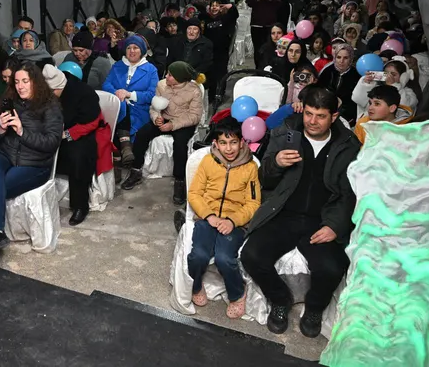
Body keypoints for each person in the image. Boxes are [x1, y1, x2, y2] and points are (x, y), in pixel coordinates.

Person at [240, 87, 360, 338]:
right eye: (308, 113)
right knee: (251, 255)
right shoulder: (285, 133)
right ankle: (280, 299)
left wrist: (335, 225)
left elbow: (350, 194)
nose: (312, 121)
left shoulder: (348, 146)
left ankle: (314, 308)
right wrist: (276, 164)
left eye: (320, 116)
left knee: (333, 267)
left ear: (334, 117)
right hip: (283, 213)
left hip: (321, 220)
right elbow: (264, 179)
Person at [0, 62, 63, 258]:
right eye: (16, 82)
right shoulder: (9, 101)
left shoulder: (50, 106)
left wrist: (22, 131)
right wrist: (0, 128)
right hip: (7, 155)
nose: (20, 86)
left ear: (35, 82)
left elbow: (51, 143)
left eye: (25, 81)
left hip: (35, 164)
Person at [187, 118, 261, 318]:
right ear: (216, 143)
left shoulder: (250, 167)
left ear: (242, 142)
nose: (229, 148)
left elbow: (253, 203)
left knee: (224, 258)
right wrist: (209, 216)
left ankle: (237, 293)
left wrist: (233, 221)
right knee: (198, 255)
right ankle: (196, 286)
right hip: (207, 217)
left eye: (233, 142)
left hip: (234, 223)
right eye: (223, 143)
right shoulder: (208, 161)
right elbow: (194, 194)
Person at [121, 62, 204, 204]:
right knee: (142, 134)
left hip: (183, 122)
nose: (166, 76)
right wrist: (156, 118)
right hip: (164, 118)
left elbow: (194, 116)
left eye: (170, 75)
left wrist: (173, 125)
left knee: (180, 144)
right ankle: (136, 170)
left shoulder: (194, 91)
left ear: (179, 78)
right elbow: (154, 107)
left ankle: (180, 180)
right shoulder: (161, 85)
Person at [43, 65, 104, 226]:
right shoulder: (47, 93)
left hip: (79, 132)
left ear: (59, 87)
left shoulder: (84, 93)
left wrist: (66, 135)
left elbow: (92, 122)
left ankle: (80, 205)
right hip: (52, 130)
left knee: (79, 157)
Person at [102, 35, 159, 166]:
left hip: (139, 109)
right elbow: (106, 85)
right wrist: (117, 93)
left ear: (142, 51)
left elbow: (152, 94)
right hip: (117, 108)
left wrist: (129, 95)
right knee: (114, 116)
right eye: (128, 48)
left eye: (135, 48)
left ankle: (122, 154)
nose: (132, 51)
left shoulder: (150, 69)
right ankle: (123, 149)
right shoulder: (118, 66)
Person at [352, 59, 419, 120]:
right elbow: (357, 99)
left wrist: (394, 86)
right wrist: (366, 84)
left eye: (393, 74)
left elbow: (404, 107)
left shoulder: (408, 92)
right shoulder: (376, 88)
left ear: (403, 77)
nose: (388, 77)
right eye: (385, 73)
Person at [201, 1, 238, 102]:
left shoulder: (225, 18)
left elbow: (235, 14)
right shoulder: (205, 19)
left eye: (217, 6)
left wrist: (230, 6)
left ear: (221, 8)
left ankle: (220, 94)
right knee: (211, 74)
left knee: (221, 73)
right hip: (210, 52)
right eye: (212, 6)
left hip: (222, 51)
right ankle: (211, 96)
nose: (214, 8)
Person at [317, 43, 361, 125]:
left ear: (351, 58)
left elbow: (356, 101)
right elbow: (318, 91)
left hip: (347, 117)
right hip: (323, 110)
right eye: (339, 57)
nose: (341, 61)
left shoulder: (356, 75)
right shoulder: (327, 71)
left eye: (346, 58)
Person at [248, 0, 283, 68]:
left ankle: (269, 69)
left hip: (270, 24)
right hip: (256, 24)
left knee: (270, 47)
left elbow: (280, 5)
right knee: (258, 48)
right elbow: (249, 3)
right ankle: (258, 69)